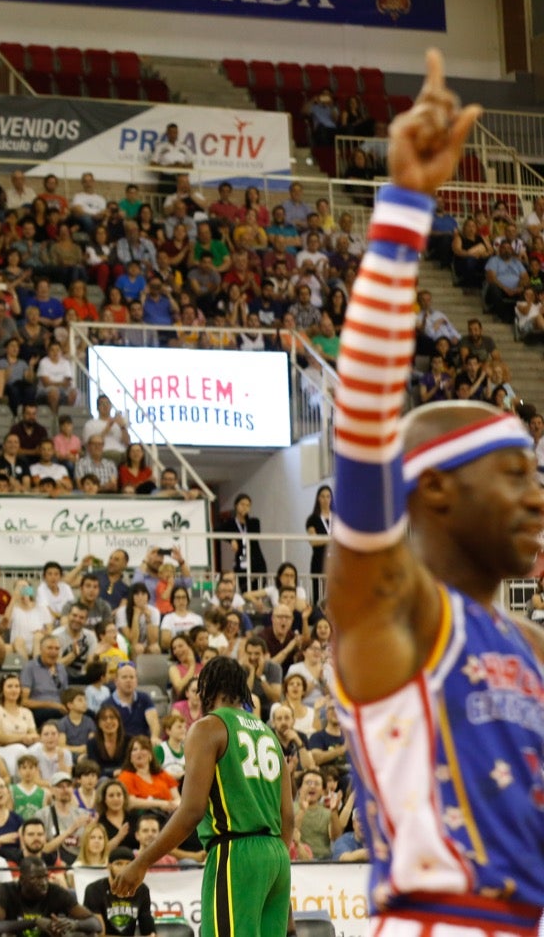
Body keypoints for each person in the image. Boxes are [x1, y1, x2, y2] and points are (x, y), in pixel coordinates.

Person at [327, 49, 544, 937]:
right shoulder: (393, 607)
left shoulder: (527, 643)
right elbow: (362, 426)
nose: (537, 497)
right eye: (515, 473)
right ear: (439, 490)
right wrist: (404, 210)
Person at [111, 656, 292, 937]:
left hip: (236, 853)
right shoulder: (269, 735)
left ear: (206, 689)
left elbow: (192, 811)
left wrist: (142, 862)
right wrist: (277, 872)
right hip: (277, 856)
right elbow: (288, 817)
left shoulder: (208, 727)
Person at [0, 855, 100, 935]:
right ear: (22, 880)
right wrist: (35, 922)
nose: (44, 883)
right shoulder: (5, 890)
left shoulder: (56, 891)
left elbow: (95, 924)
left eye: (45, 877)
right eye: (36, 878)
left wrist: (74, 924)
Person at [84, 847, 155, 936]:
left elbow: (148, 930)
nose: (124, 868)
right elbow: (97, 932)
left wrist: (152, 933)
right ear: (109, 866)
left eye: (128, 864)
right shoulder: (94, 889)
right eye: (118, 864)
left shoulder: (142, 890)